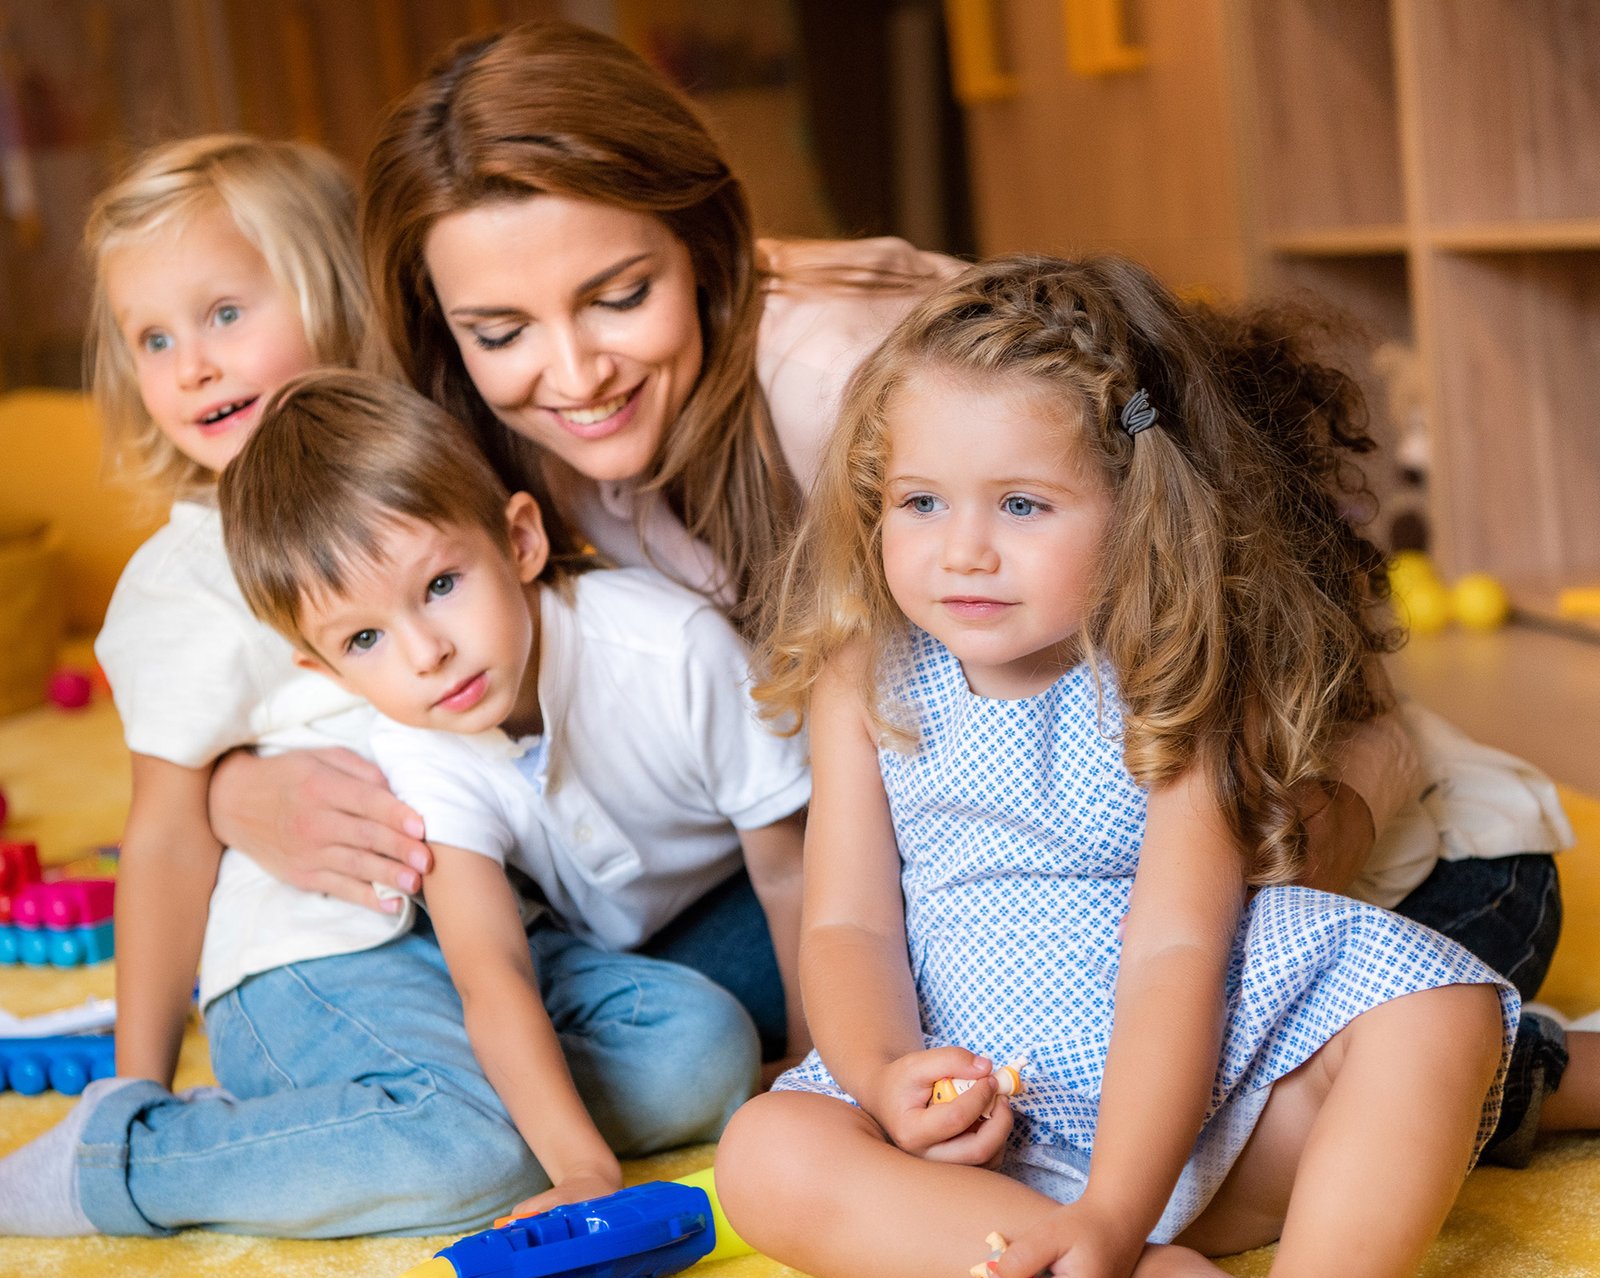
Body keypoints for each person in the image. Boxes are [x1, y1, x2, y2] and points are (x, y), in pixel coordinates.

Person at [209, 19, 1571, 1128]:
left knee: (1171, 1112)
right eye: (501, 328)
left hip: (1319, 846)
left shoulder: (845, 384)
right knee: (708, 1027)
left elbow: (1284, 666)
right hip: (964, 873)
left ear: (705, 245)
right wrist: (231, 784)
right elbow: (324, 605)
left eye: (620, 296)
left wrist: (1297, 850)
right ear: (443, 329)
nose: (572, 373)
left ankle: (1528, 1078)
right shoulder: (490, 435)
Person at [714, 255, 1600, 1278]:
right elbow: (848, 922)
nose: (962, 550)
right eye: (919, 501)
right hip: (985, 1135)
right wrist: (881, 1075)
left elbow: (1178, 944)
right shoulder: (863, 673)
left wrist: (1116, 1206)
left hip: (1199, 1099)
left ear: (1137, 507)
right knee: (765, 1154)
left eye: (1021, 505)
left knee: (1438, 1017)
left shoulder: (1172, 674)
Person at [0, 135, 754, 1240]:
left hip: (502, 930)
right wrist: (133, 1080)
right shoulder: (185, 580)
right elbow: (162, 837)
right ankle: (135, 1157)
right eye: (153, 339)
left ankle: (417, 1120)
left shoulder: (428, 468)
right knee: (472, 1149)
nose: (192, 365)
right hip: (320, 957)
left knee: (702, 1049)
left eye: (224, 314)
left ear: (336, 296)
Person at [218, 368, 808, 1132]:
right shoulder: (419, 745)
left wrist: (815, 1064)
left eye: (441, 585)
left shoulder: (674, 651)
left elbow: (791, 872)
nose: (426, 653)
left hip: (749, 897)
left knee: (875, 964)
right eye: (364, 639)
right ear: (328, 672)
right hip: (614, 952)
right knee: (686, 1050)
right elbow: (491, 972)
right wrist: (581, 1169)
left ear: (520, 541)